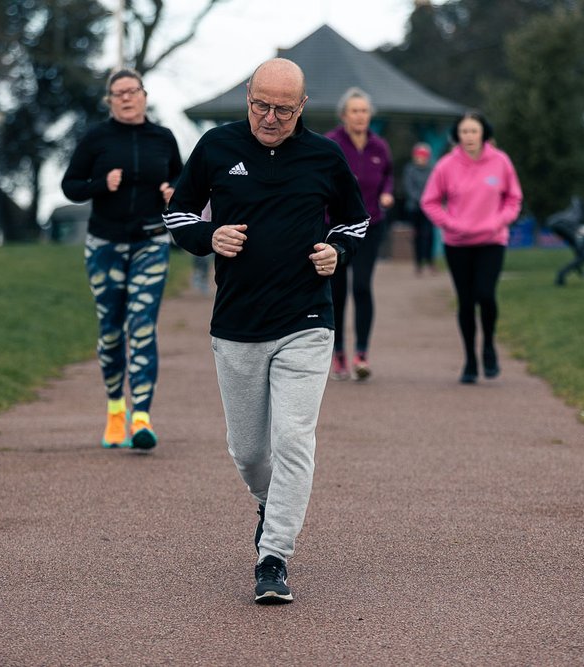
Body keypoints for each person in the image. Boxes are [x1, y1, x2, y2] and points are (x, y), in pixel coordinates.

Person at [163, 58, 368, 604]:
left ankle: (273, 556)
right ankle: (270, 502)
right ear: (248, 98)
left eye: (282, 108)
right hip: (236, 324)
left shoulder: (324, 155)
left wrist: (337, 249)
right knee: (250, 451)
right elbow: (179, 214)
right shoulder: (216, 146)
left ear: (302, 108)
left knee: (294, 439)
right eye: (260, 105)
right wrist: (210, 237)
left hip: (305, 321)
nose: (269, 117)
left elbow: (356, 219)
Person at [61, 68, 182, 450]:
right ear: (110, 101)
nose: (127, 98)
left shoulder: (163, 138)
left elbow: (183, 182)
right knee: (112, 331)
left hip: (151, 242)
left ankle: (141, 417)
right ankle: (116, 409)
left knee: (142, 325)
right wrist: (101, 185)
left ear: (144, 95)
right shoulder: (97, 139)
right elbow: (70, 185)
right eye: (118, 93)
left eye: (133, 91)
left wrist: (173, 193)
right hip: (105, 245)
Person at [420, 109, 523, 384]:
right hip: (458, 243)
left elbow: (514, 199)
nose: (468, 136)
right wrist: (450, 224)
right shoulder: (446, 165)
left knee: (485, 295)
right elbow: (429, 201)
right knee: (466, 301)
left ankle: (488, 345)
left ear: (483, 134)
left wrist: (499, 221)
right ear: (457, 135)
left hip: (492, 241)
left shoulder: (500, 162)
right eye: (464, 131)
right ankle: (470, 359)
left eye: (473, 131)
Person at [324, 88, 394, 381]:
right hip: (335, 229)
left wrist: (387, 194)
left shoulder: (380, 147)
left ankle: (361, 353)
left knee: (362, 286)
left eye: (364, 111)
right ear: (344, 115)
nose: (360, 116)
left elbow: (388, 175)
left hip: (370, 225)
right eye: (354, 111)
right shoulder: (330, 143)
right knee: (336, 291)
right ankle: (338, 352)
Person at [402, 142, 437, 275]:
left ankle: (430, 261)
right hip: (415, 208)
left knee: (429, 235)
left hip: (429, 208)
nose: (420, 158)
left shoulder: (432, 169)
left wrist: (428, 200)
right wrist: (421, 200)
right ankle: (418, 263)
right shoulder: (409, 169)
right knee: (417, 236)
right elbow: (409, 188)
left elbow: (435, 187)